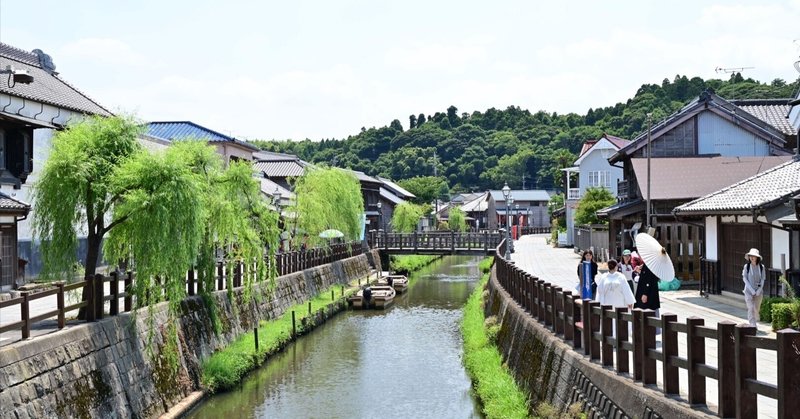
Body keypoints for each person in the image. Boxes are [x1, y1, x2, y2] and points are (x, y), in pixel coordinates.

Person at [596, 259, 636, 336]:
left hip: (608, 302)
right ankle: (617, 337)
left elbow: (600, 291)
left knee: (610, 320)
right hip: (619, 302)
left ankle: (611, 337)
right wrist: (630, 302)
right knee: (617, 319)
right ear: (616, 267)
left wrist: (599, 302)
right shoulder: (621, 277)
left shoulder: (604, 277)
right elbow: (626, 290)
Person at [742, 248, 765, 328]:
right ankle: (752, 325)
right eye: (750, 256)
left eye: (754, 256)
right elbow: (744, 278)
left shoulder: (761, 267)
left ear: (757, 258)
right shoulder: (747, 266)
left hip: (758, 292)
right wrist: (751, 290)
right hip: (748, 291)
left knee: (756, 309)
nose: (752, 257)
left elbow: (762, 279)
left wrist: (759, 290)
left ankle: (754, 321)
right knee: (751, 308)